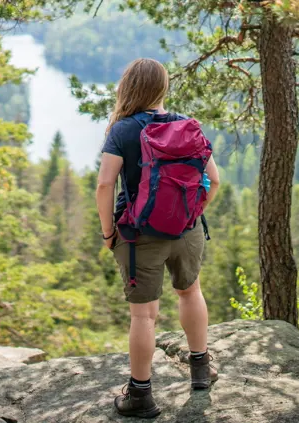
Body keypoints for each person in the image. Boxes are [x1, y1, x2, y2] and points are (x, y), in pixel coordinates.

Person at [96, 58, 220, 419]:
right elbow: (214, 179)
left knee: (144, 316)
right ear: (162, 88)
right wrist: (192, 214)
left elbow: (105, 185)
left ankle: (141, 396)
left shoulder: (122, 130)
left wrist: (108, 232)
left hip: (138, 235)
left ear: (129, 87)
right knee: (191, 292)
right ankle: (201, 370)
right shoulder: (185, 125)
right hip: (186, 229)